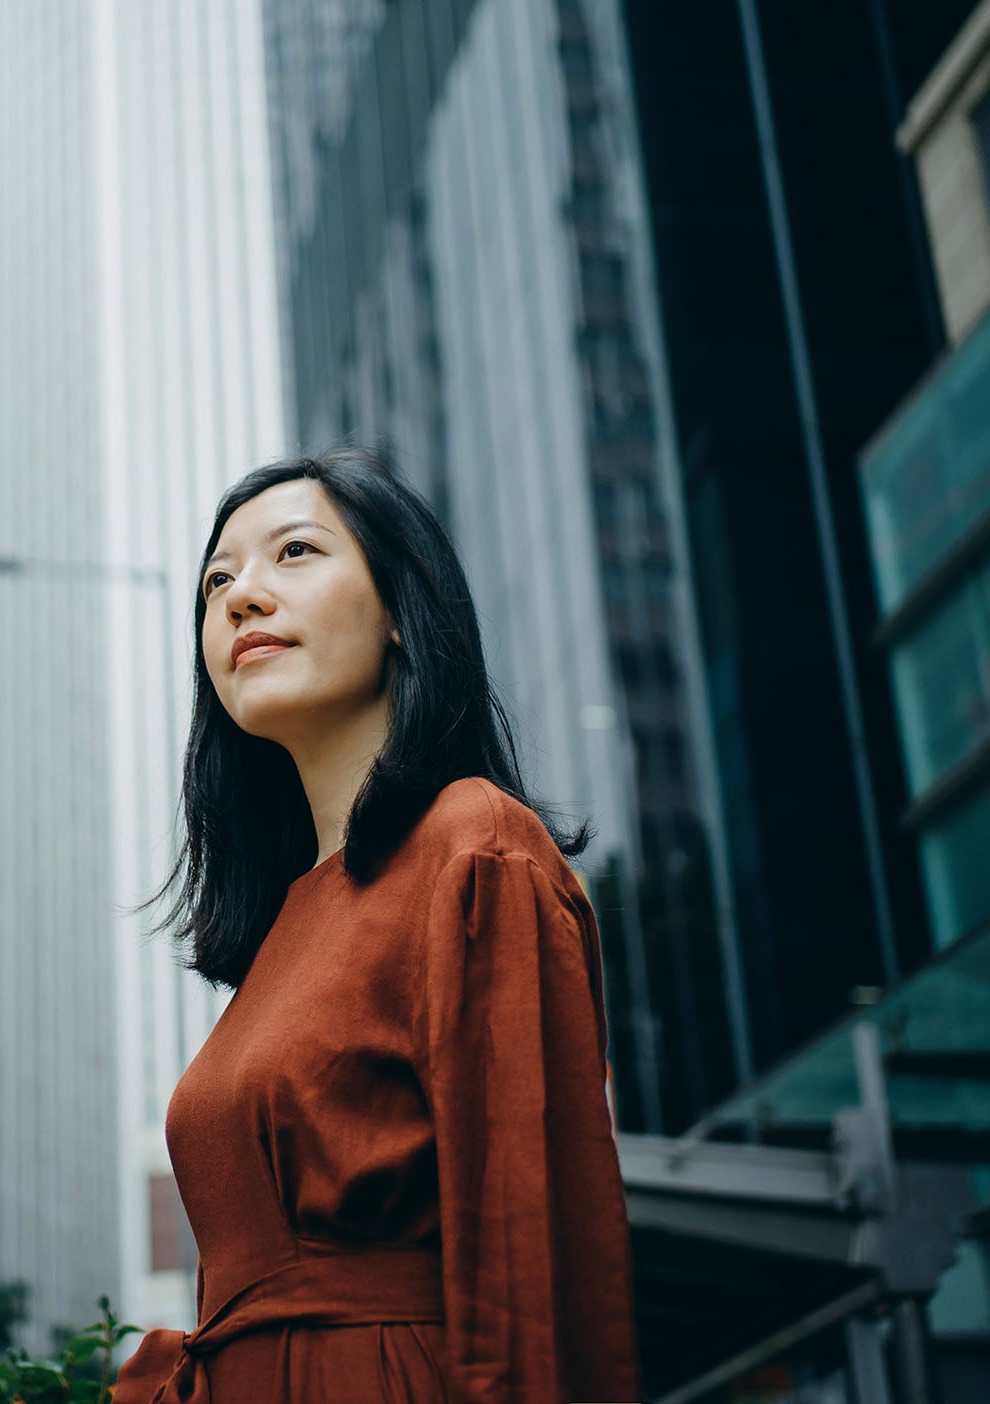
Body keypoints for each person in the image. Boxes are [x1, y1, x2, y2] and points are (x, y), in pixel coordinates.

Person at [114, 449, 638, 1403]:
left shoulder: (474, 846)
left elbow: (531, 1258)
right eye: (216, 582)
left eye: (294, 553)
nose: (240, 598)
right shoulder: (281, 935)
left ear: (401, 610)